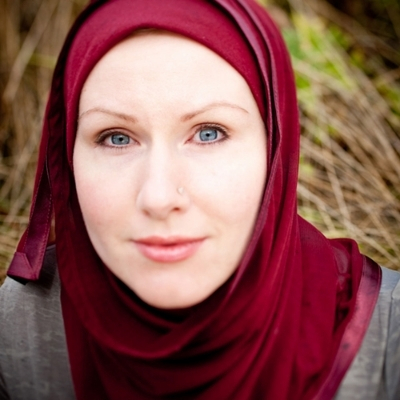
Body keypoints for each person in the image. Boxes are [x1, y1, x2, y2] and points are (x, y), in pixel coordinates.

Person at [0, 0, 399, 399]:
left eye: (209, 133)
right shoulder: (19, 325)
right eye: (116, 137)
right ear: (67, 159)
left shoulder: (387, 334)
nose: (158, 198)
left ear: (274, 149)